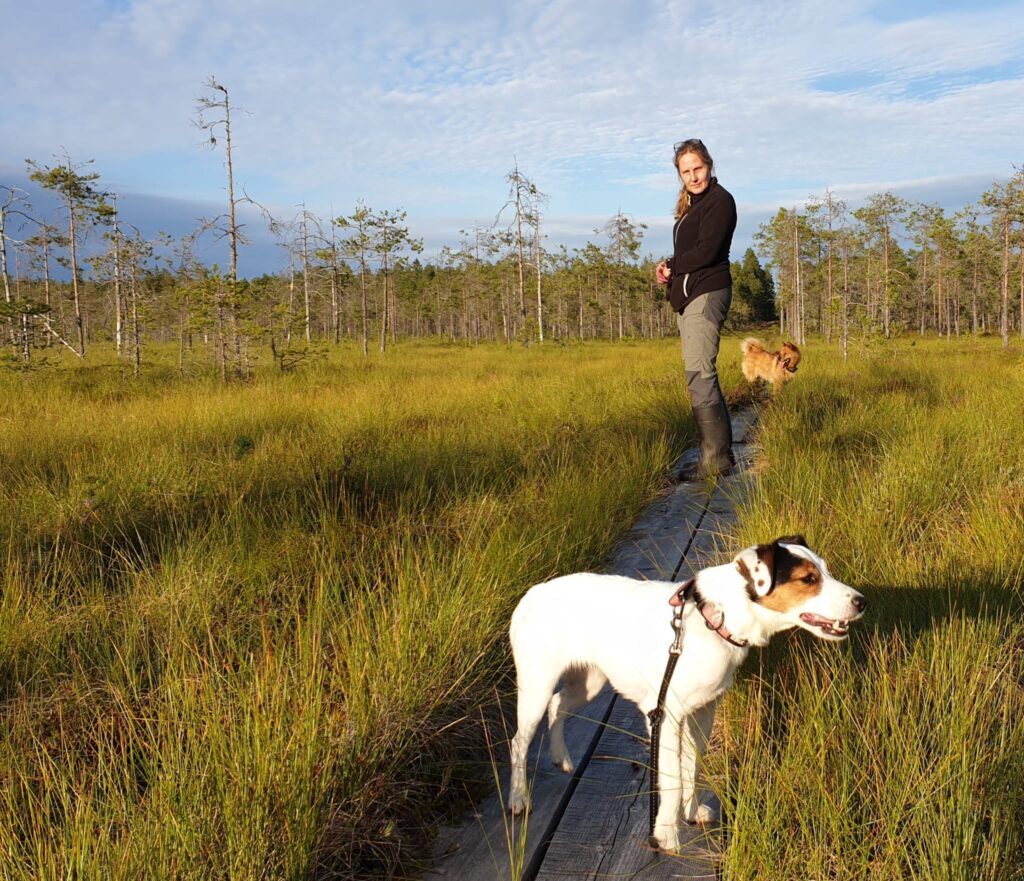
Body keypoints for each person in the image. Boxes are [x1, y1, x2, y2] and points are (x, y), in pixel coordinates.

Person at [655, 139, 737, 479]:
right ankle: (716, 457)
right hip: (692, 296)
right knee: (698, 374)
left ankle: (716, 462)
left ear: (709, 165)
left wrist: (674, 266)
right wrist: (669, 266)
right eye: (686, 171)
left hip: (707, 293)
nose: (693, 176)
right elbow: (692, 250)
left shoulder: (720, 201)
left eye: (697, 168)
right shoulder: (693, 203)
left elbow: (707, 252)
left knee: (700, 374)